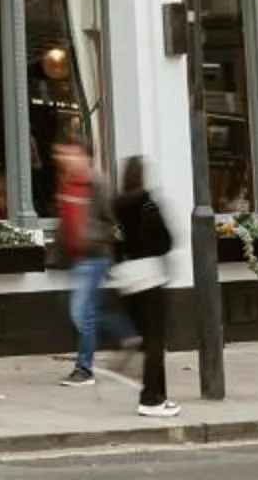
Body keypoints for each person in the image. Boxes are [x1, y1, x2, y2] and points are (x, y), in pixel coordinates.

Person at [51, 142, 135, 386]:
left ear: (85, 156)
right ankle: (128, 335)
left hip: (95, 254)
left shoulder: (97, 183)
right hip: (77, 257)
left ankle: (84, 369)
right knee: (88, 311)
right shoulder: (66, 182)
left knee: (81, 312)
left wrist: (102, 240)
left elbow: (112, 217)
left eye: (69, 153)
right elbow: (64, 219)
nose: (63, 157)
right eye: (62, 153)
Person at [107, 156, 177, 420]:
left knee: (148, 339)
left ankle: (160, 396)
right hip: (150, 275)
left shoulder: (116, 206)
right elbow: (166, 241)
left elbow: (113, 243)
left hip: (126, 277)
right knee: (156, 339)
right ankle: (151, 398)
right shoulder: (148, 205)